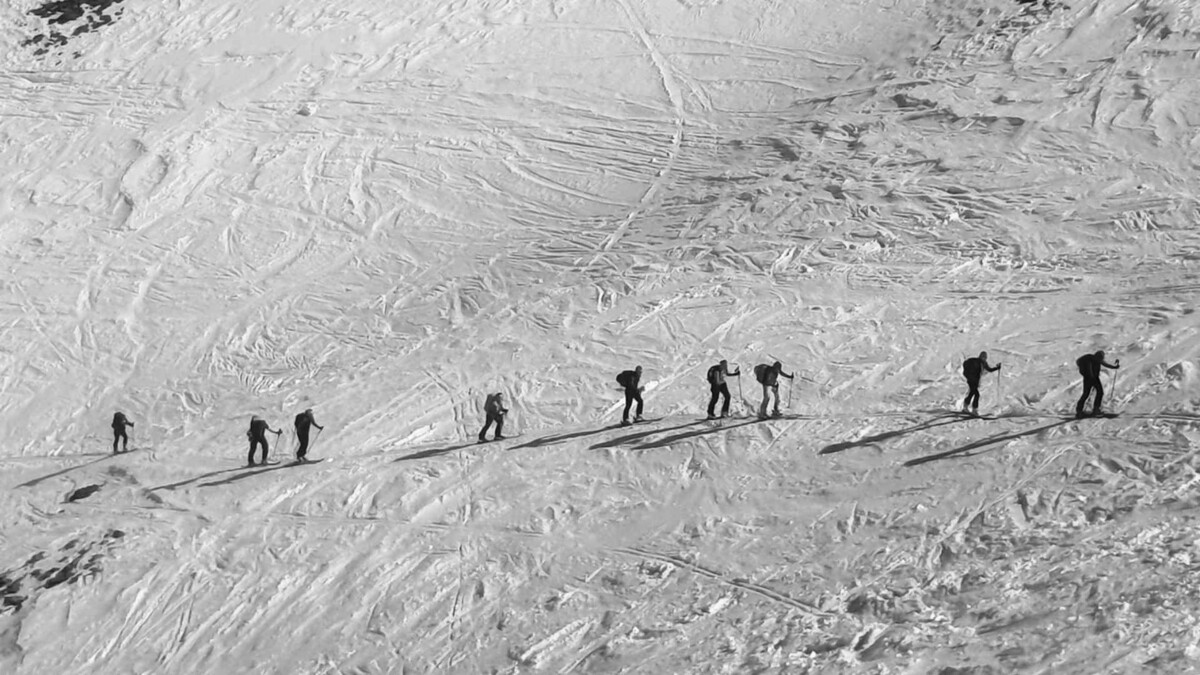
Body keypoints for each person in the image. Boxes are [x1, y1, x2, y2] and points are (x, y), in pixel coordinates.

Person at [1075, 350, 1120, 418]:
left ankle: (1080, 411)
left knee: (1087, 394)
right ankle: (1094, 409)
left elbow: (1104, 363)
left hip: (1089, 378)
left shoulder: (1096, 358)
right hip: (1091, 378)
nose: (1101, 360)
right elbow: (1089, 370)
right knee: (1097, 392)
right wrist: (1092, 379)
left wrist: (1114, 367)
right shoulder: (1089, 360)